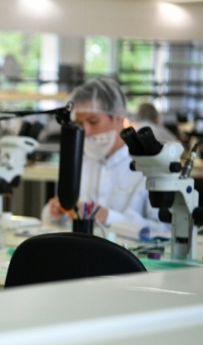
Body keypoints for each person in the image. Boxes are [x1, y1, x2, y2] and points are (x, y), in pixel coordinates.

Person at [42, 77, 167, 233]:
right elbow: (55, 219)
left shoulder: (149, 169)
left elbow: (164, 230)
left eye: (93, 121)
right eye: (80, 124)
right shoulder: (80, 164)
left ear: (118, 117)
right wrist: (55, 212)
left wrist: (109, 217)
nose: (85, 131)